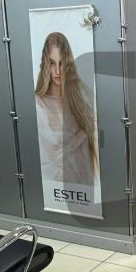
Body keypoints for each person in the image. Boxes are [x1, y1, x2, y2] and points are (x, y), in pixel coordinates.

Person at [35, 31, 98, 186]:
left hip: (83, 188)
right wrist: (83, 133)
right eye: (52, 63)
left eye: (62, 63)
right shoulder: (37, 104)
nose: (57, 71)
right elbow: (52, 157)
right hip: (51, 189)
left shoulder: (81, 100)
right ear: (45, 65)